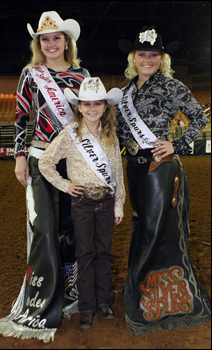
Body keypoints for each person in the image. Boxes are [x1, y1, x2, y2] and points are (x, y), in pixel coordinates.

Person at [0, 11, 90, 342]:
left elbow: (89, 120)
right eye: (44, 39)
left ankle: (71, 290)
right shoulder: (31, 74)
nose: (50, 44)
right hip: (41, 156)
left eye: (56, 38)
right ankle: (42, 296)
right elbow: (20, 116)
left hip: (74, 161)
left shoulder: (81, 75)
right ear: (39, 44)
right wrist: (19, 157)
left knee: (72, 227)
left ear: (66, 41)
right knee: (44, 227)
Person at [116, 26, 211, 336]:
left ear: (161, 59)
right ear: (134, 57)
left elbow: (200, 117)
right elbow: (119, 131)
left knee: (158, 228)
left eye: (153, 55)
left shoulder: (172, 86)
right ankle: (140, 284)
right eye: (142, 54)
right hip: (133, 165)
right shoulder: (126, 92)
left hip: (160, 166)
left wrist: (178, 145)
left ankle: (160, 289)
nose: (148, 59)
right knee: (141, 222)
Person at [38, 77, 126, 329]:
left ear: (105, 107)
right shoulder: (69, 134)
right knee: (85, 254)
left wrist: (119, 204)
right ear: (79, 107)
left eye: (97, 103)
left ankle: (103, 301)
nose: (91, 108)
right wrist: (66, 185)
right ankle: (87, 307)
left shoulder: (111, 134)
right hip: (83, 203)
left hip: (107, 202)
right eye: (86, 104)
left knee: (104, 254)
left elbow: (117, 172)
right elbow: (45, 163)